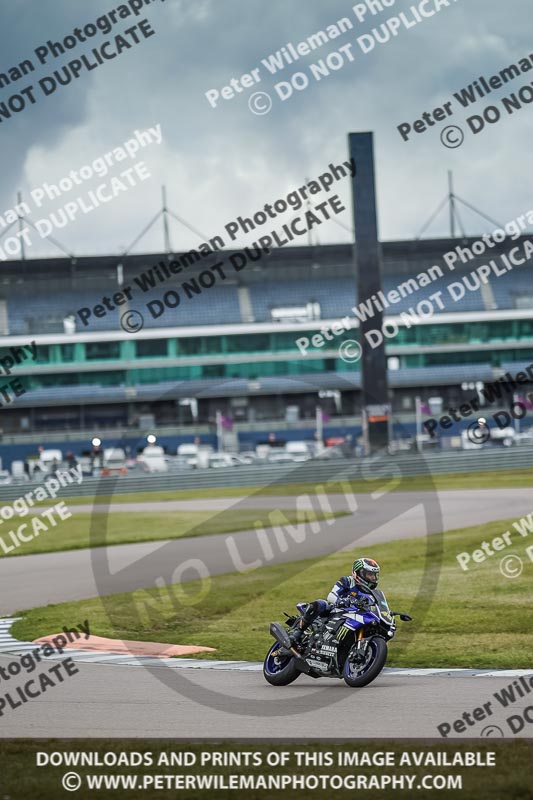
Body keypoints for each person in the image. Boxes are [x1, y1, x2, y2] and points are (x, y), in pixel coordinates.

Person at [290, 558, 380, 643]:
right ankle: (298, 632)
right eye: (370, 574)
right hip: (335, 610)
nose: (373, 578)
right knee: (319, 604)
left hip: (354, 616)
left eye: (374, 575)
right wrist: (341, 601)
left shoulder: (371, 593)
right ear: (359, 573)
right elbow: (331, 595)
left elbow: (375, 606)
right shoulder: (347, 581)